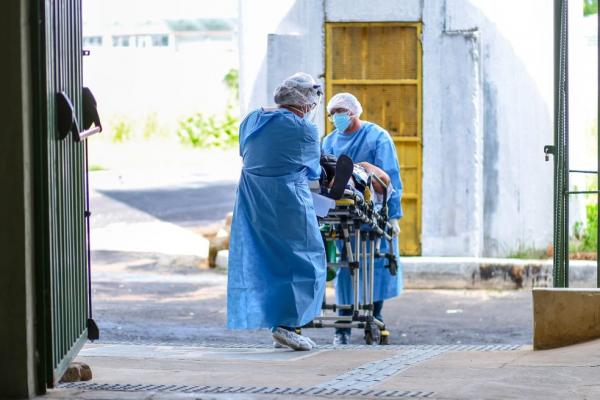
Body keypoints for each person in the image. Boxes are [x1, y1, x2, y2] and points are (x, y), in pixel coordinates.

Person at [227, 72, 326, 351]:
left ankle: (279, 321)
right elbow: (313, 170)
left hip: (252, 198)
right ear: (305, 102)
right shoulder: (304, 130)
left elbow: (246, 153)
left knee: (267, 259)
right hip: (288, 200)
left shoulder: (251, 120)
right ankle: (288, 326)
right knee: (304, 260)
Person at [321, 92, 403, 345]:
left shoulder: (377, 137)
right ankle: (342, 329)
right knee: (347, 271)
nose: (336, 118)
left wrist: (393, 216)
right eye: (332, 113)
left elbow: (391, 178)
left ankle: (374, 317)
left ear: (354, 113)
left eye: (340, 112)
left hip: (373, 209)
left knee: (375, 268)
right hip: (341, 211)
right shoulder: (329, 141)